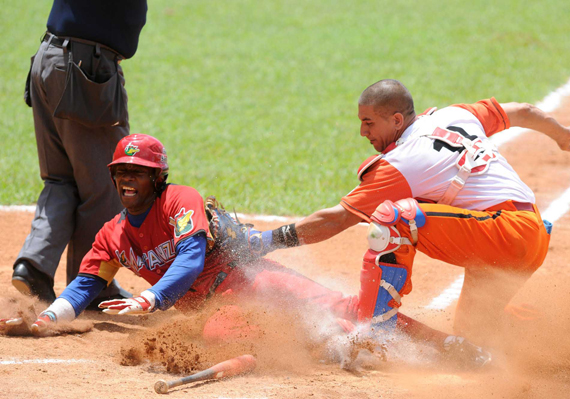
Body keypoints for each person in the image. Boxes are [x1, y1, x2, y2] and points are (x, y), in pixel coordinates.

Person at [1, 134, 492, 368]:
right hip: (213, 309)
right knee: (227, 332)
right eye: (121, 174)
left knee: (350, 309)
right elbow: (85, 283)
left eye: (138, 173)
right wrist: (50, 317)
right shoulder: (111, 235)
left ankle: (452, 347)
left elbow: (191, 258)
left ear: (157, 178)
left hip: (250, 281)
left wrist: (149, 300)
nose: (128, 180)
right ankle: (348, 352)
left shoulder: (180, 200)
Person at [249, 79, 570, 341]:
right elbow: (522, 111)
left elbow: (336, 219)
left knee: (395, 217)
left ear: (396, 120)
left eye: (369, 122)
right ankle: (566, 333)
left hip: (503, 233)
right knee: (475, 337)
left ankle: (378, 332)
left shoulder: (402, 162)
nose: (362, 131)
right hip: (527, 238)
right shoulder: (456, 115)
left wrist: (264, 241)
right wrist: (559, 133)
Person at [13, 0, 148, 306]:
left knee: (61, 180)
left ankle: (34, 265)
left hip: (49, 58)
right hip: (85, 68)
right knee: (105, 186)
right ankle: (90, 285)